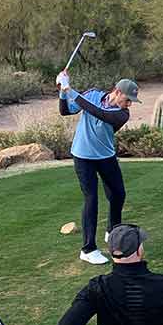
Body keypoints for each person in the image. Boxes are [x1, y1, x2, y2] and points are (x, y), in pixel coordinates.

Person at [57, 69, 140, 265]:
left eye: (131, 101)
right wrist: (62, 91)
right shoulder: (92, 94)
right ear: (117, 91)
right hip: (83, 155)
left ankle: (113, 231)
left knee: (118, 193)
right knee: (91, 198)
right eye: (127, 99)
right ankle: (88, 249)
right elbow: (66, 111)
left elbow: (100, 113)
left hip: (105, 156)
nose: (129, 104)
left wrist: (69, 88)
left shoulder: (122, 114)